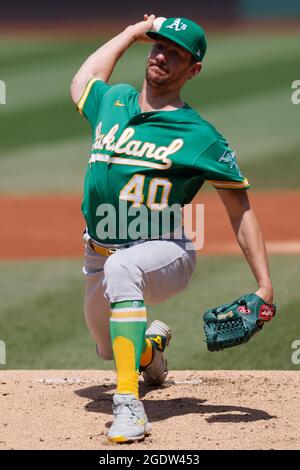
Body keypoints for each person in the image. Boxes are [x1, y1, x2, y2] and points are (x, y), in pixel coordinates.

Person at [70, 15, 274, 443]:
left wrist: (264, 286)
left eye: (175, 53)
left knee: (123, 269)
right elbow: (83, 80)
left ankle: (129, 406)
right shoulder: (115, 100)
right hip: (98, 250)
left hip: (166, 248)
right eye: (158, 46)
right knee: (109, 347)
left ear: (193, 69)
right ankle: (150, 353)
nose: (161, 55)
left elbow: (240, 208)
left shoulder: (200, 135)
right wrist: (127, 33)